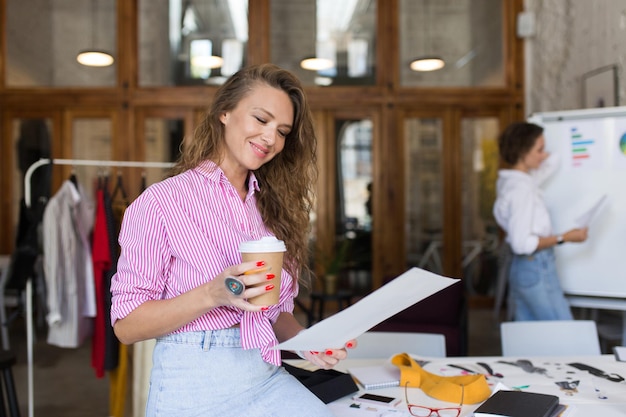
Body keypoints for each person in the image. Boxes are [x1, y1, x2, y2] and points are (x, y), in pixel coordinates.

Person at [110, 64, 354, 416]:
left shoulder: (273, 209)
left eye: (282, 131)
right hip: (192, 382)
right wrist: (213, 293)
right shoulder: (161, 202)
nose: (271, 138)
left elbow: (274, 314)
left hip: (264, 374)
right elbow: (127, 326)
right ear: (225, 112)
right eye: (261, 119)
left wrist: (308, 344)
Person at [493, 122, 588, 321]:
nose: (544, 155)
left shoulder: (517, 181)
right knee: (565, 335)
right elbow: (522, 244)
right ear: (522, 151)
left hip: (527, 268)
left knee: (533, 338)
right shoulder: (522, 189)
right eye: (539, 149)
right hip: (535, 265)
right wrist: (565, 237)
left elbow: (554, 161)